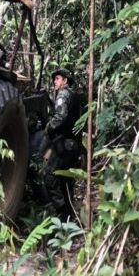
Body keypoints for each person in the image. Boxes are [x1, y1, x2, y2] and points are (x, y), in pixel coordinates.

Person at [45, 68, 81, 221]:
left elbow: (60, 116)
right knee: (66, 179)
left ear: (65, 81)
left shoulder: (64, 94)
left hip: (65, 144)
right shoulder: (73, 95)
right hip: (73, 144)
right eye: (55, 79)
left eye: (58, 78)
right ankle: (69, 214)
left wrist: (48, 128)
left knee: (49, 176)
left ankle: (61, 212)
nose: (55, 81)